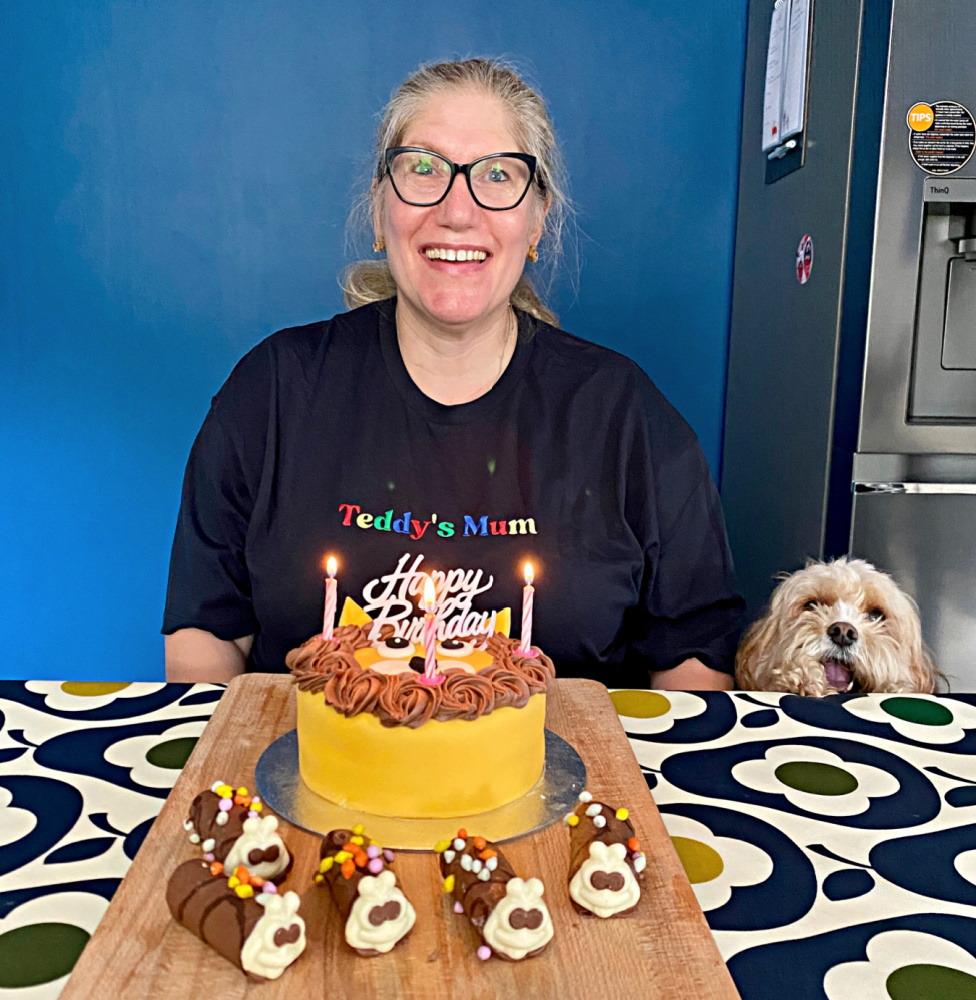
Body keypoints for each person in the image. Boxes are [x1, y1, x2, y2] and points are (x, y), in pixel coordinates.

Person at [163, 58, 744, 690]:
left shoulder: (625, 415)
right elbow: (207, 633)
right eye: (423, 169)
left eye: (498, 175)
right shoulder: (273, 391)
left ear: (538, 220)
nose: (457, 211)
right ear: (382, 204)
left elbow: (694, 660)